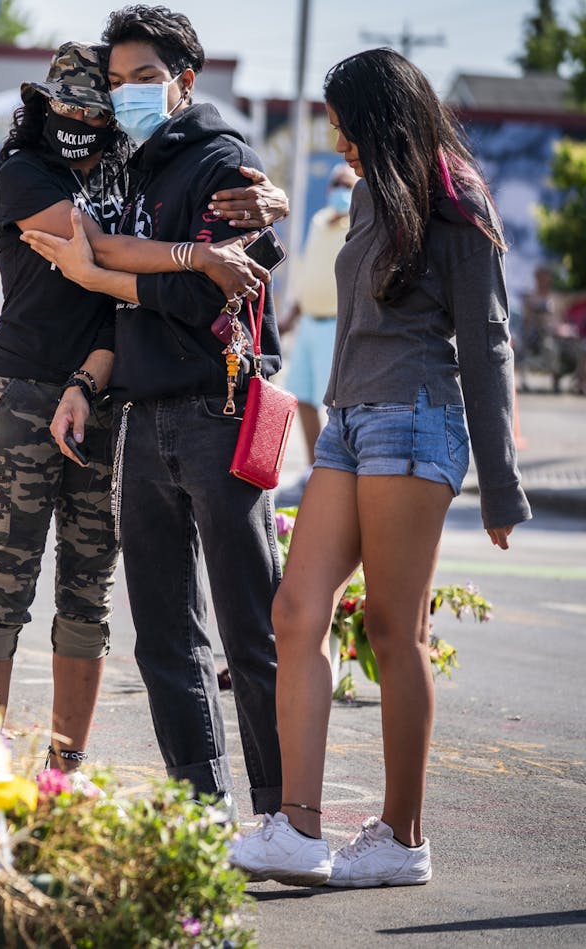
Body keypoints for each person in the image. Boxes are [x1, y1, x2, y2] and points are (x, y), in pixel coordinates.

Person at [229, 48, 530, 887]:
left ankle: (403, 839)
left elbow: (487, 342)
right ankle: (298, 829)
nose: (336, 138)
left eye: (343, 121)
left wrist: (499, 483)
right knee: (297, 609)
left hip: (417, 419)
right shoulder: (367, 196)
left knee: (398, 632)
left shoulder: (456, 196)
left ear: (380, 117)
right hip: (350, 424)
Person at [0, 40, 287, 772]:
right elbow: (99, 251)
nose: (79, 116)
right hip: (23, 393)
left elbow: (220, 215)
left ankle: (62, 772)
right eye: (65, 105)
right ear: (41, 107)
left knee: (87, 596)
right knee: (4, 591)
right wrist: (194, 257)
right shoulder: (23, 172)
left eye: (94, 105)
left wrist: (278, 197)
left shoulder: (128, 167)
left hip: (106, 395)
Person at [280, 164, 357, 491]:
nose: (340, 190)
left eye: (347, 185)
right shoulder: (319, 221)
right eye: (336, 184)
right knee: (304, 398)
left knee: (333, 403)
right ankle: (315, 469)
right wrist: (288, 320)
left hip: (338, 326)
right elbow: (306, 273)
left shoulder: (359, 224)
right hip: (309, 323)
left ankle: (337, 474)